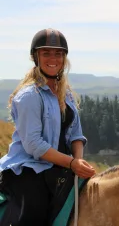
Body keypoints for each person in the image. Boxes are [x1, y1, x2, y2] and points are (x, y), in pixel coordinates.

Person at [0, 28, 96, 226]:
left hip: (62, 165)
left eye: (58, 53)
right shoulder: (29, 96)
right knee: (33, 212)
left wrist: (78, 161)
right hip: (28, 168)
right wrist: (71, 163)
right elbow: (34, 145)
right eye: (46, 53)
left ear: (64, 58)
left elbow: (76, 134)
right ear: (36, 57)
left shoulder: (66, 94)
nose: (53, 58)